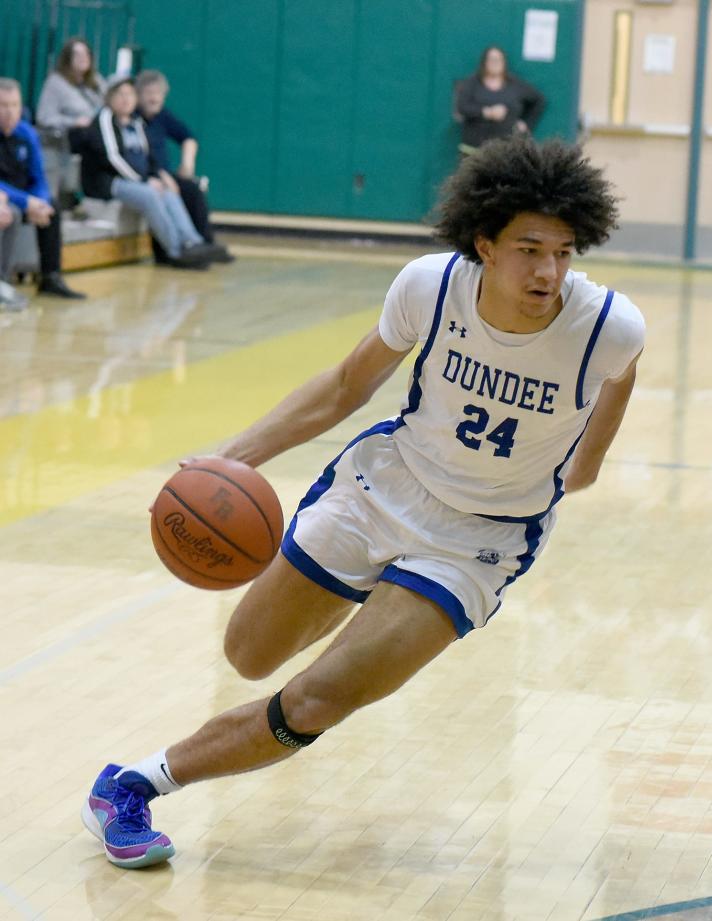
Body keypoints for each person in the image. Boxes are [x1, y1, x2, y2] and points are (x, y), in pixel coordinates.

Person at [80, 135, 645, 868]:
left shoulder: (606, 327)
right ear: (484, 242)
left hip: (477, 540)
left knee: (316, 698)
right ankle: (368, 591)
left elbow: (624, 372)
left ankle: (133, 786)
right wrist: (234, 456)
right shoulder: (430, 287)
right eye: (530, 249)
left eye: (565, 252)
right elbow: (347, 386)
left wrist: (585, 464)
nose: (550, 271)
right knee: (249, 653)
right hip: (383, 485)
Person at [78, 78, 217, 269]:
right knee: (150, 194)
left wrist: (157, 176)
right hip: (108, 182)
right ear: (110, 98)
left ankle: (192, 242)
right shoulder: (103, 120)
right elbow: (112, 158)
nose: (126, 99)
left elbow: (149, 156)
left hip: (136, 180)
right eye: (121, 95)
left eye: (129, 95)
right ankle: (176, 251)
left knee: (168, 191)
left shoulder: (136, 123)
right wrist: (144, 180)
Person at [0, 77, 85, 299]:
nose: (9, 111)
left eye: (14, 105)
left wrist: (41, 201)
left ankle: (50, 277)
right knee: (14, 213)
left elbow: (38, 177)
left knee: (53, 207)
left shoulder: (27, 134)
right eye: (3, 105)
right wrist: (25, 202)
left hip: (24, 197)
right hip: (7, 199)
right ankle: (2, 281)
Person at [134, 69, 231, 263]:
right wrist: (159, 175)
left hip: (165, 175)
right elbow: (137, 157)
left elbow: (188, 137)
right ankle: (171, 251)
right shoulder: (133, 120)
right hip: (145, 175)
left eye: (158, 93)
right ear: (139, 95)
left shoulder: (163, 116)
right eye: (149, 93)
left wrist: (187, 164)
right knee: (165, 193)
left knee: (192, 190)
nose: (154, 98)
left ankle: (203, 243)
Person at [454, 46, 545, 154]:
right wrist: (487, 112)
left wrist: (526, 123)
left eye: (498, 59)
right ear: (484, 62)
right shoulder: (472, 83)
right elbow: (462, 107)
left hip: (506, 150)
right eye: (491, 59)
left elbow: (539, 100)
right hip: (474, 149)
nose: (495, 63)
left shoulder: (515, 84)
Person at [35, 38, 104, 133]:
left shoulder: (97, 79)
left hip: (98, 135)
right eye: (77, 54)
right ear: (67, 58)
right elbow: (44, 118)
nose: (83, 58)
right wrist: (73, 122)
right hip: (69, 139)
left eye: (86, 53)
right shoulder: (56, 82)